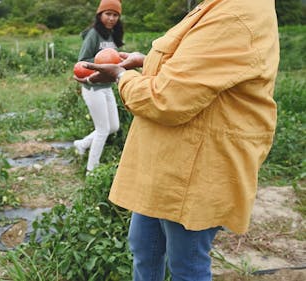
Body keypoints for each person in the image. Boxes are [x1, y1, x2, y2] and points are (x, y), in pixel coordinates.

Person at [75, 0, 280, 280]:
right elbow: (199, 69)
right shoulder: (219, 6)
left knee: (186, 263)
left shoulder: (236, 15)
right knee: (144, 248)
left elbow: (167, 99)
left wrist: (123, 77)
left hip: (195, 168)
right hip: (167, 161)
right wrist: (148, 63)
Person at [73, 0, 124, 173]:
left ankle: (82, 144)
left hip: (107, 86)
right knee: (102, 129)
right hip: (93, 88)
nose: (111, 18)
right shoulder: (94, 34)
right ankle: (91, 171)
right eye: (108, 14)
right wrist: (103, 62)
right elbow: (82, 61)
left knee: (114, 127)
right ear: (100, 15)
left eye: (115, 15)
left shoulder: (112, 35)